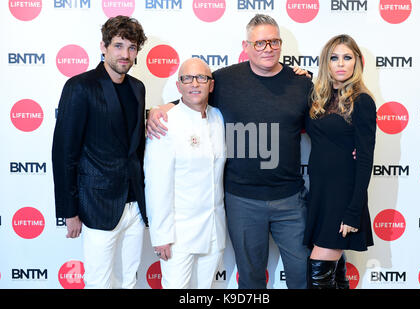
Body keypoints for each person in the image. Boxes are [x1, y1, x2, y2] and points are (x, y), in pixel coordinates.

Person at [147, 14, 312, 289]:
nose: (267, 48)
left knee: (301, 274)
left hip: (290, 200)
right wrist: (162, 109)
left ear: (281, 45)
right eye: (259, 43)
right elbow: (193, 93)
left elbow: (325, 119)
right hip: (242, 201)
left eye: (273, 42)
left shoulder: (302, 83)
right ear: (246, 46)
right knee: (250, 279)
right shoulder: (224, 80)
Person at [52, 16, 148, 289]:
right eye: (118, 46)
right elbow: (64, 152)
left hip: (135, 205)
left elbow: (135, 147)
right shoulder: (80, 86)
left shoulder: (137, 88)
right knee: (99, 282)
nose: (125, 54)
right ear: (103, 47)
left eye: (131, 48)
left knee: (130, 280)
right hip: (97, 203)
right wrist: (69, 211)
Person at [144, 58, 227, 289]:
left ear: (211, 85)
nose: (194, 84)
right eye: (187, 78)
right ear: (178, 85)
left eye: (201, 78)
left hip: (214, 230)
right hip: (179, 235)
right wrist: (161, 236)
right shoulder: (165, 123)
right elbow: (157, 183)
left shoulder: (219, 117)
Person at [303, 34, 376, 289]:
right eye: (334, 58)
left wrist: (353, 211)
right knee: (336, 276)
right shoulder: (318, 98)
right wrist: (299, 77)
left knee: (319, 275)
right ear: (326, 62)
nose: (341, 64)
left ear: (357, 62)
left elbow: (365, 159)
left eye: (347, 57)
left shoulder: (362, 101)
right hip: (320, 194)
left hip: (342, 198)